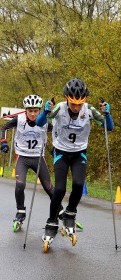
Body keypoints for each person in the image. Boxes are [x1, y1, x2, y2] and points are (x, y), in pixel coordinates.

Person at [36, 78, 114, 245]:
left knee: (79, 185)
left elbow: (109, 127)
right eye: (73, 104)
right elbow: (39, 123)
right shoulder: (60, 108)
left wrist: (108, 114)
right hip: (61, 152)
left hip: (79, 153)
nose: (76, 108)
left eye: (79, 104)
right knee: (59, 189)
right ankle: (51, 222)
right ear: (67, 99)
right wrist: (45, 111)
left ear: (84, 100)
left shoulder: (90, 110)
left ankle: (70, 213)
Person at [1, 94, 56, 231]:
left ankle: (61, 212)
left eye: (36, 111)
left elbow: (58, 131)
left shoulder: (45, 121)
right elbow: (4, 128)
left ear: (40, 110)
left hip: (38, 157)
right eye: (30, 110)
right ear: (25, 110)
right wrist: (3, 142)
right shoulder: (19, 119)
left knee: (49, 188)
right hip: (23, 157)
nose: (32, 114)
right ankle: (20, 212)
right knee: (20, 185)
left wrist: (56, 147)